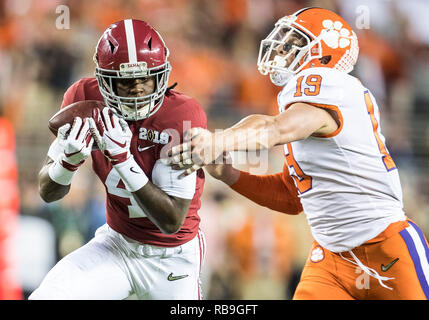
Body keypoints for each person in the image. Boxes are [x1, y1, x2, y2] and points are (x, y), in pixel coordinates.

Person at [168, 7, 429, 300]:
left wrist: (218, 139)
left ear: (324, 53)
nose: (280, 48)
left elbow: (274, 130)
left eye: (294, 42)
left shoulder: (330, 85)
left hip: (386, 247)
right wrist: (229, 174)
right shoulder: (300, 105)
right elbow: (292, 197)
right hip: (331, 259)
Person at [30, 19, 207, 300]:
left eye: (146, 78)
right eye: (125, 82)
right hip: (117, 245)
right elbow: (47, 192)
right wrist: (66, 164)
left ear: (162, 75)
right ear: (103, 81)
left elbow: (171, 220)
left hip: (172, 258)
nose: (138, 89)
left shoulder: (181, 114)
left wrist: (122, 159)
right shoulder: (84, 99)